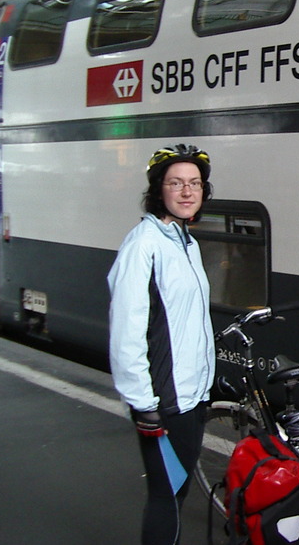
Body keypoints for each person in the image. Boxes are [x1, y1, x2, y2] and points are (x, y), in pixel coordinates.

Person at [108, 144, 215, 545]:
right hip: (164, 400)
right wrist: (143, 404)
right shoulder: (144, 245)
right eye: (176, 184)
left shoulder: (186, 242)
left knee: (177, 490)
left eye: (195, 184)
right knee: (166, 496)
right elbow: (126, 331)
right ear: (159, 191)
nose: (187, 192)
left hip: (191, 395)